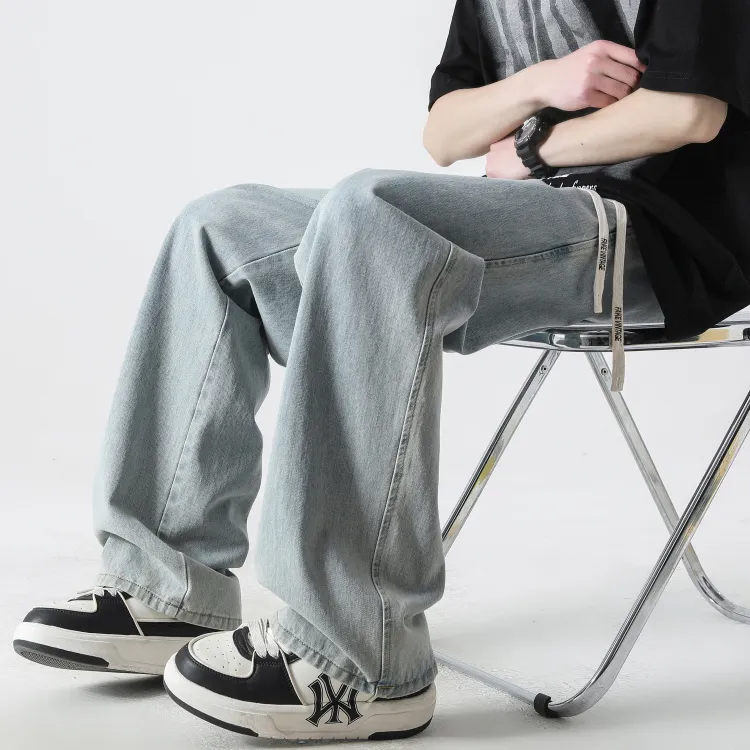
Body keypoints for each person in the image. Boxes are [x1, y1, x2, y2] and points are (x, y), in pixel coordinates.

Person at [13, 0, 750, 741]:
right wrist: (542, 83)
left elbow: (688, 112)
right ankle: (166, 586)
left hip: (657, 240)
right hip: (524, 216)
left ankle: (358, 656)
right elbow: (446, 133)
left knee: (373, 214)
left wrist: (531, 148)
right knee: (221, 226)